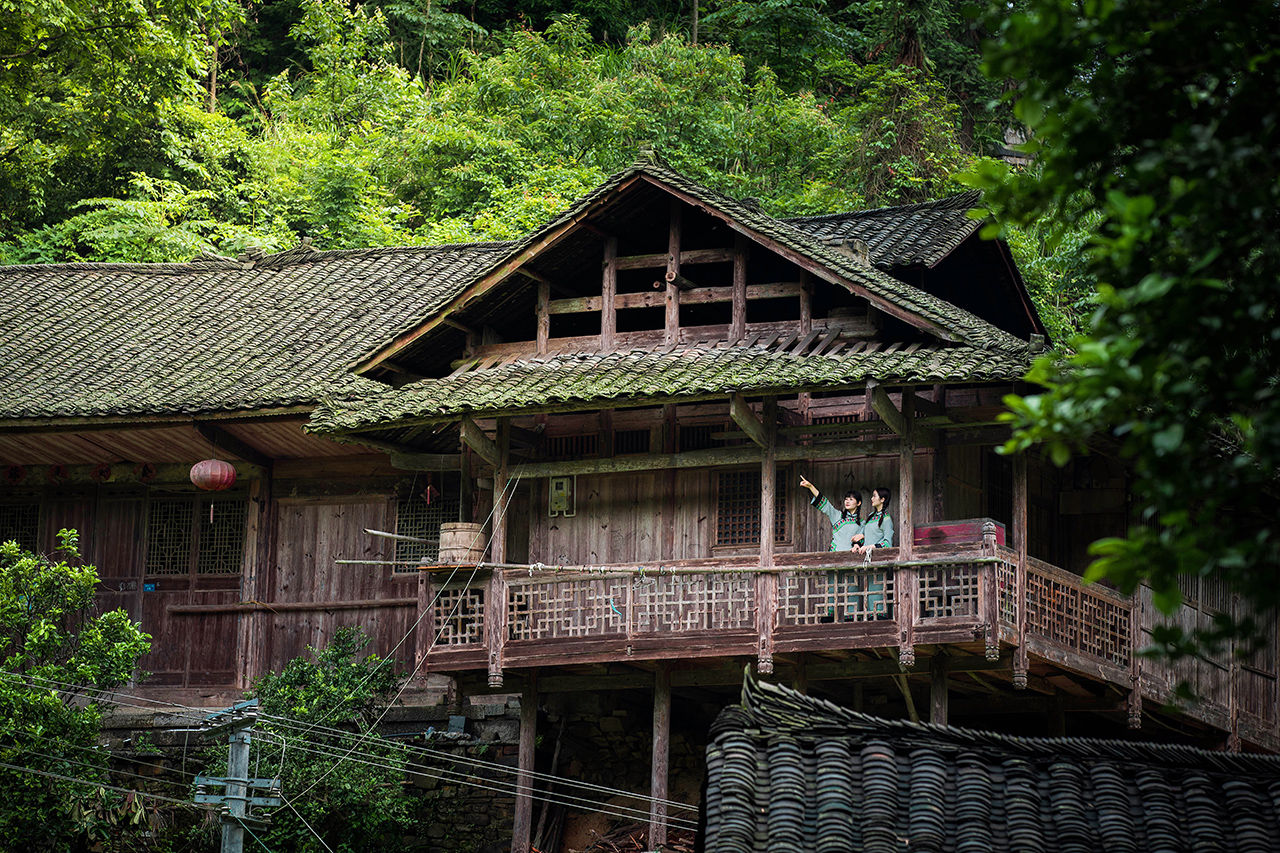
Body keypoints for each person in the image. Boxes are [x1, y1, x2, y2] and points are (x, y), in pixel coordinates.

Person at [798, 475, 864, 551]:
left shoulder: (863, 523)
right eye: (846, 499)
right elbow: (825, 502)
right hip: (834, 554)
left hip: (852, 557)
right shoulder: (837, 515)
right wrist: (810, 486)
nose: (847, 501)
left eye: (851, 499)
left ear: (858, 503)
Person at [860, 487, 895, 553]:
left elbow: (887, 543)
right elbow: (864, 536)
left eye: (874, 496)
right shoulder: (871, 516)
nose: (871, 498)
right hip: (865, 556)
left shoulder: (886, 519)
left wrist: (871, 547)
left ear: (882, 499)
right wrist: (857, 544)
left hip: (878, 556)